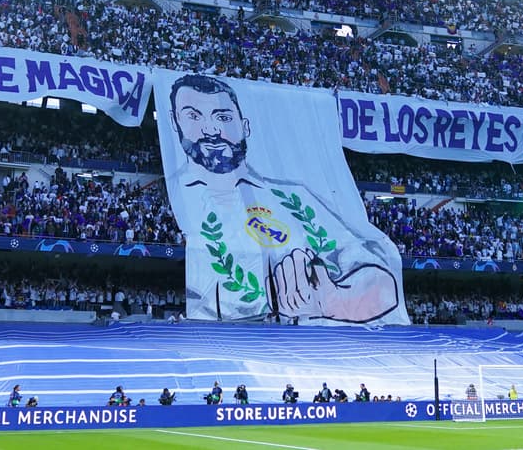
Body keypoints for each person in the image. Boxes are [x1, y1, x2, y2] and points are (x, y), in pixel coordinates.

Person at [160, 74, 403, 324]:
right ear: (173, 122)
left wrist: (337, 300)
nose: (211, 130)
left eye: (223, 117)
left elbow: (384, 284)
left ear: (245, 126)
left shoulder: (295, 199)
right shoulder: (173, 198)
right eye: (193, 116)